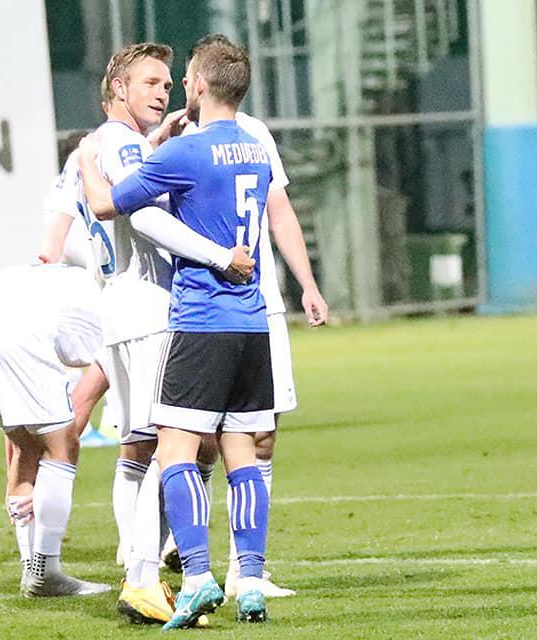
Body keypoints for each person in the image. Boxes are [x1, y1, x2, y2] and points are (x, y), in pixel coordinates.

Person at [80, 36, 275, 629]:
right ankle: (245, 580)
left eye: (176, 80)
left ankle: (179, 576)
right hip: (245, 319)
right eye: (154, 82)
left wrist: (88, 166)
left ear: (199, 85)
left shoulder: (176, 152)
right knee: (231, 449)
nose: (170, 90)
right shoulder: (255, 149)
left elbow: (118, 205)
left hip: (194, 316)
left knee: (167, 449)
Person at [149, 34, 329, 600]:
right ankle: (180, 550)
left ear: (201, 81)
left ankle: (244, 570)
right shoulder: (181, 141)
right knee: (194, 441)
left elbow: (280, 211)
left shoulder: (253, 135)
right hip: (204, 308)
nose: (179, 87)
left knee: (259, 437)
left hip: (257, 304)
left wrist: (307, 284)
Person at [0, 263, 111, 598]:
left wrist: (22, 463)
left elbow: (24, 428)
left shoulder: (77, 283)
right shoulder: (122, 312)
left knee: (28, 447)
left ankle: (31, 568)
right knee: (62, 446)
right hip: (13, 328)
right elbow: (85, 401)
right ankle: (45, 573)